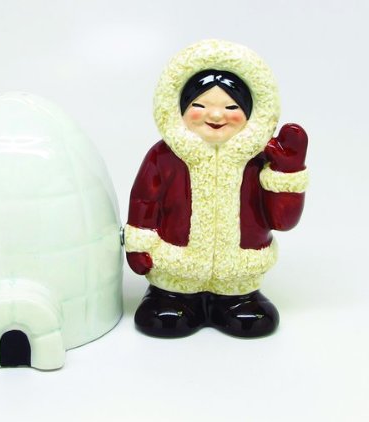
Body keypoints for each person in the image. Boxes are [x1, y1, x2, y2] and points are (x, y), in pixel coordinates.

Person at [124, 40, 309, 338]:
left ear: (251, 114)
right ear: (179, 110)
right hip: (174, 268)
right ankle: (171, 298)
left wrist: (287, 171)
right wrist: (139, 246)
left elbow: (282, 220)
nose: (216, 116)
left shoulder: (258, 160)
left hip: (239, 270)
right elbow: (145, 201)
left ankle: (235, 301)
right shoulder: (164, 157)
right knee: (165, 317)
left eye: (231, 107)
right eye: (199, 106)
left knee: (250, 317)